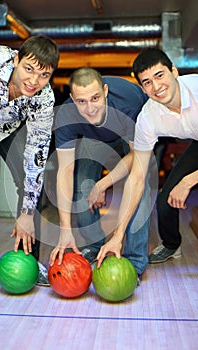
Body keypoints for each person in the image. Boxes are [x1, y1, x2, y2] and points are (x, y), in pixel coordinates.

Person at [0, 34, 60, 286]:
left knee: (31, 187)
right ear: (16, 59)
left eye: (44, 75)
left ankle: (28, 259)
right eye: (29, 69)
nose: (33, 81)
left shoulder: (44, 100)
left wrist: (27, 212)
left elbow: (36, 157)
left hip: (8, 128)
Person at [96, 47, 198, 268]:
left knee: (181, 185)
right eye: (147, 82)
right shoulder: (148, 118)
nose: (156, 87)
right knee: (165, 200)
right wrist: (118, 235)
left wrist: (188, 181)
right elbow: (136, 179)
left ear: (174, 71)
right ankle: (172, 244)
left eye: (160, 76)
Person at [49, 67, 154, 282]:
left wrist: (102, 184)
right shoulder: (66, 115)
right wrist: (65, 230)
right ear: (72, 99)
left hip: (132, 135)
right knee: (81, 185)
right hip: (94, 138)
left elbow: (134, 156)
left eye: (95, 98)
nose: (90, 108)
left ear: (105, 90)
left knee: (140, 189)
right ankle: (93, 246)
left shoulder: (129, 101)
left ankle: (135, 260)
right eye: (82, 101)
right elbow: (65, 172)